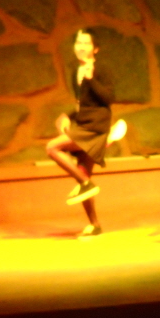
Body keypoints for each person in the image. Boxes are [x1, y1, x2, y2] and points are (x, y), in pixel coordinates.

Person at [46, 28, 114, 238]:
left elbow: (108, 98)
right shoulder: (74, 71)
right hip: (83, 123)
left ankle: (85, 183)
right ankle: (94, 225)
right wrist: (68, 116)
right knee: (83, 173)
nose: (81, 47)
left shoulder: (102, 68)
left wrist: (91, 79)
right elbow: (82, 105)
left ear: (95, 49)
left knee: (52, 148)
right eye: (78, 43)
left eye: (86, 43)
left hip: (95, 127)